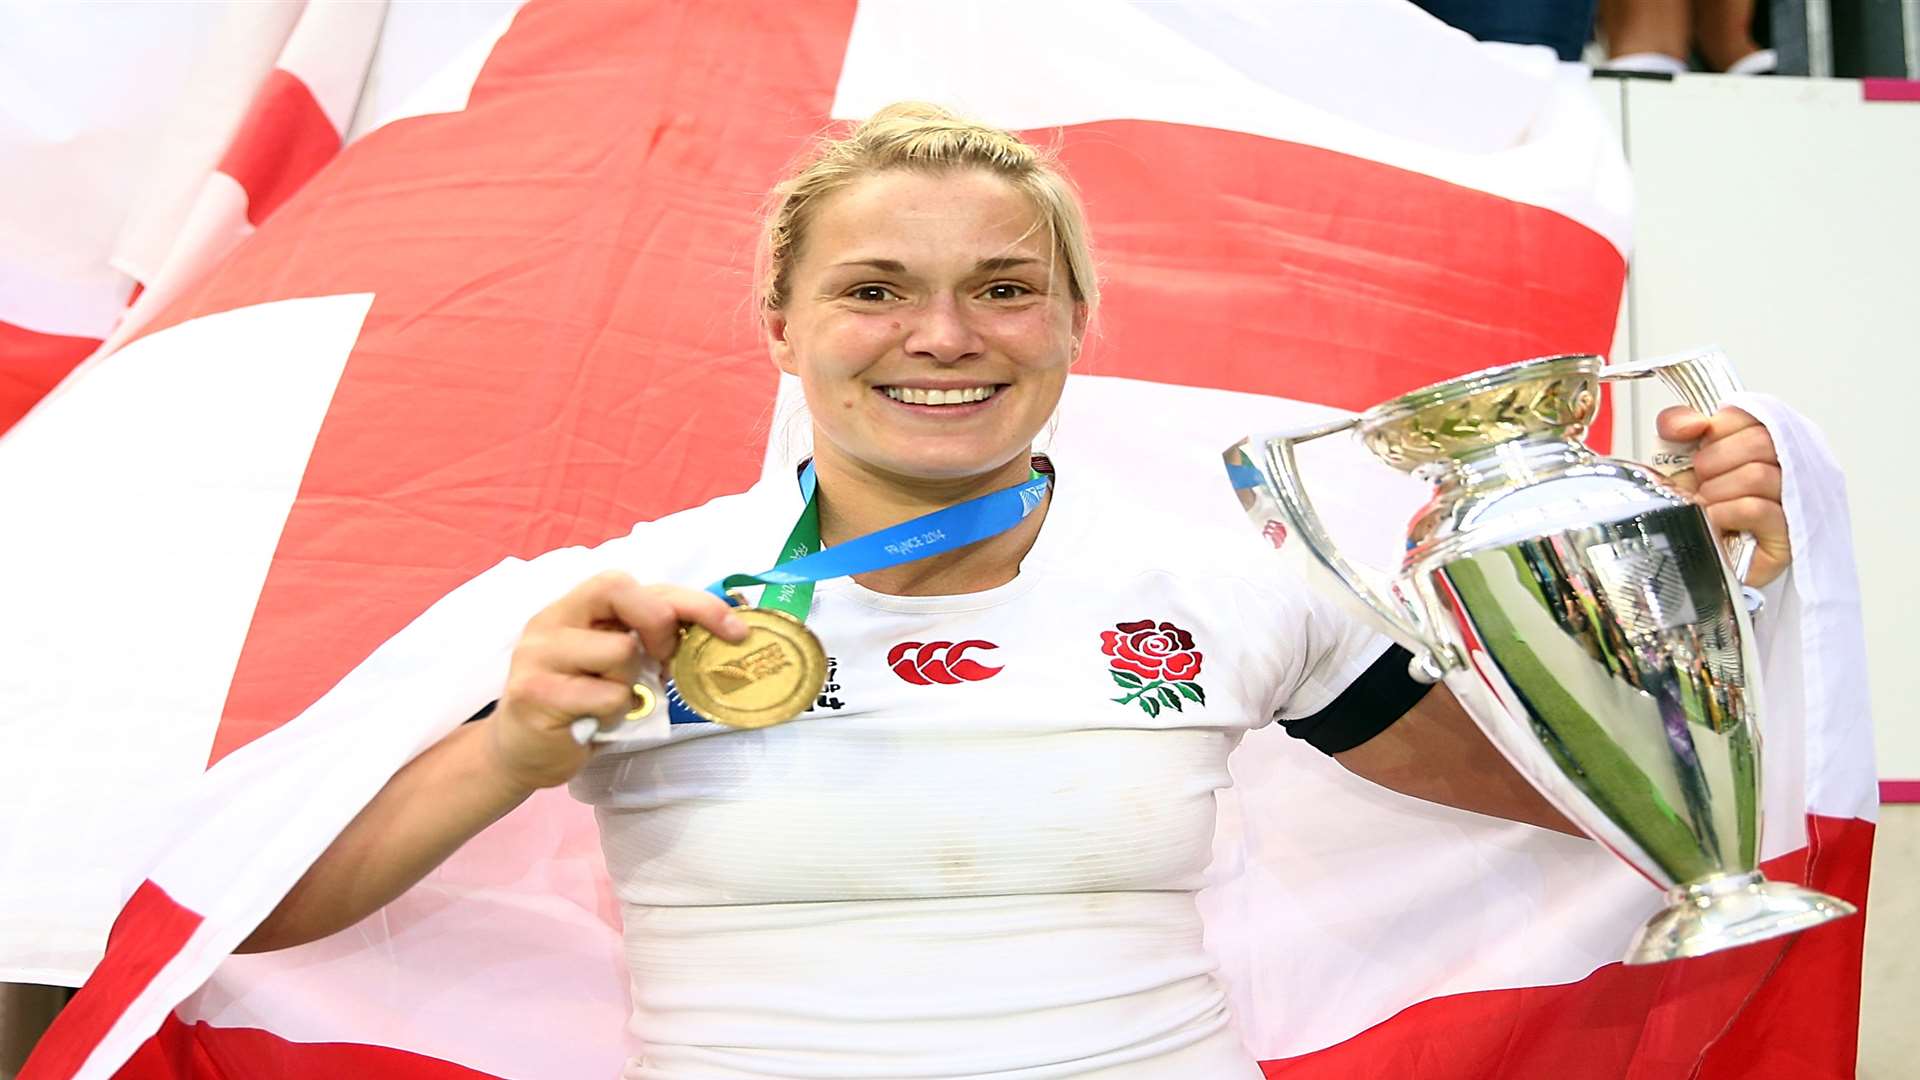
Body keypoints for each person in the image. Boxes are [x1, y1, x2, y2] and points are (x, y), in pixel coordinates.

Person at [234, 103, 1794, 1078]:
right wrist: (514, 745)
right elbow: (262, 917)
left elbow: (1603, 799)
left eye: (1003, 288)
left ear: (1071, 324)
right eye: (873, 290)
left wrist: (1668, 602)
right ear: (779, 324)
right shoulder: (630, 606)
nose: (944, 336)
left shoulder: (1229, 583)